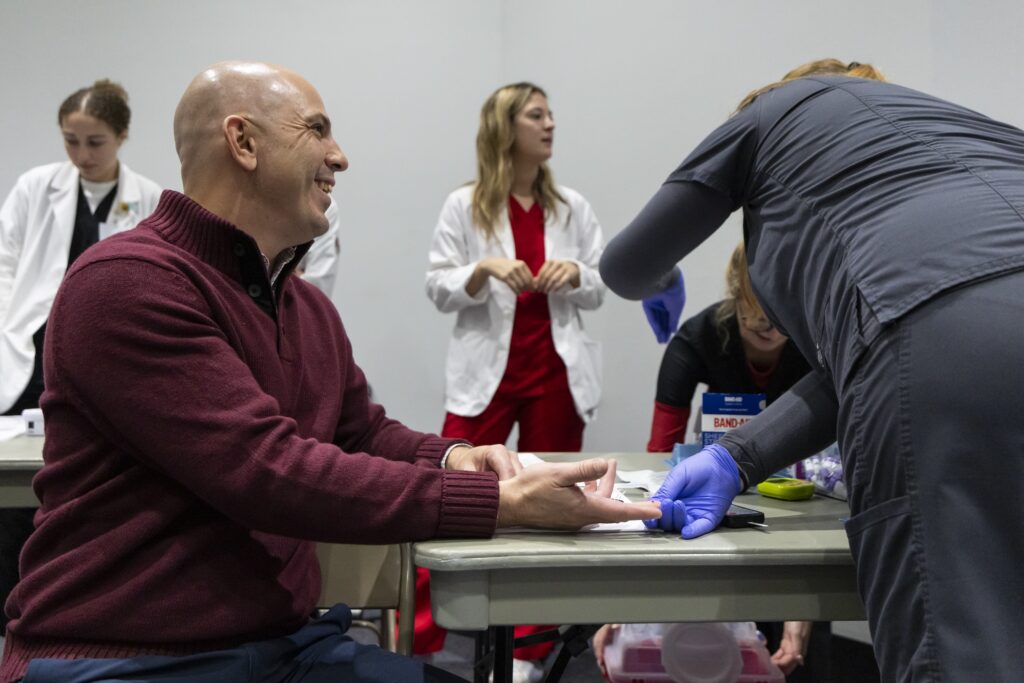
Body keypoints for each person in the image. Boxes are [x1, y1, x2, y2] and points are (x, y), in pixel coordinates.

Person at [0, 61, 659, 683]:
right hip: (126, 658)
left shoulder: (304, 306)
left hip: (277, 647)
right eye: (317, 129)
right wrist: (499, 503)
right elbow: (267, 469)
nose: (340, 155)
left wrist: (460, 456)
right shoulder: (127, 284)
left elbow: (362, 432)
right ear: (244, 142)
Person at [600, 56, 1024, 681]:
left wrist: (663, 282)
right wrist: (737, 456)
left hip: (942, 341)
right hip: (944, 335)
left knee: (959, 651)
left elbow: (627, 266)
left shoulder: (775, 111)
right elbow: (862, 367)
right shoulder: (966, 132)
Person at [422, 81, 606, 680]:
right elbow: (438, 287)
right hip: (487, 375)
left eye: (551, 114)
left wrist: (574, 271)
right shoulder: (464, 206)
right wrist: (483, 269)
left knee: (553, 505)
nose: (550, 124)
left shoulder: (571, 207)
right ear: (506, 128)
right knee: (446, 489)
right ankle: (425, 639)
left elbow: (602, 285)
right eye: (536, 115)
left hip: (555, 372)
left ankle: (528, 651)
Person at [596, 244, 822, 681]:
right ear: (734, 299)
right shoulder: (696, 340)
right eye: (754, 316)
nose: (768, 327)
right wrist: (626, 606)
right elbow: (659, 461)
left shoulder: (817, 346)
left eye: (780, 318)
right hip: (711, 493)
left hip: (797, 500)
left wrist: (804, 609)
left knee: (800, 639)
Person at [0, 79, 161, 634]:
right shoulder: (33, 188)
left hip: (100, 361)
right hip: (29, 353)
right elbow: (4, 264)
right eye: (71, 141)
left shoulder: (150, 198)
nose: (81, 155)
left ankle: (79, 612)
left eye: (95, 142)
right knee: (16, 489)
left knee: (86, 485)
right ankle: (12, 614)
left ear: (121, 137)